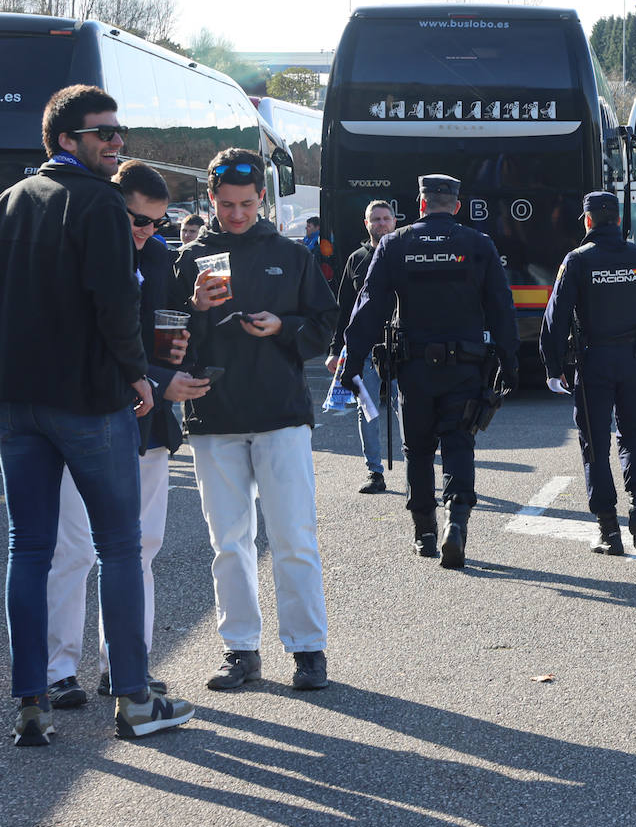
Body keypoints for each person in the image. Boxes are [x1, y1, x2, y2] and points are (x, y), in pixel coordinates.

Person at [1, 85, 194, 745]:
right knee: (120, 548)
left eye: (119, 131)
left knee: (28, 548)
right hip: (87, 400)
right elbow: (115, 304)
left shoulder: (10, 203)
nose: (116, 142)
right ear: (64, 139)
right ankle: (136, 702)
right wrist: (140, 374)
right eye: (102, 132)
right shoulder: (101, 204)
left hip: (18, 403)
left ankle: (31, 704)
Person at [45, 161, 211, 710]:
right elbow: (88, 341)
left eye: (156, 224)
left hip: (145, 421)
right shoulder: (80, 247)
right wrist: (161, 377)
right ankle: (58, 670)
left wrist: (185, 334)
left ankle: (125, 667)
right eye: (136, 220)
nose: (144, 231)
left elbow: (159, 327)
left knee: (140, 546)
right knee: (71, 548)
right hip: (86, 414)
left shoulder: (158, 255)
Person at [173, 147, 337, 691]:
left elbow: (324, 323)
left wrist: (284, 326)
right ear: (212, 198)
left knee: (293, 536)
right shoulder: (191, 257)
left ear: (262, 198)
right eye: (225, 204)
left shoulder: (290, 255)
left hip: (281, 414)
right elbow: (165, 336)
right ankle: (240, 649)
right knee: (229, 541)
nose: (235, 214)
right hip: (214, 414)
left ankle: (308, 649)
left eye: (245, 204)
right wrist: (194, 308)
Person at [344, 175, 518, 567]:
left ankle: (424, 532)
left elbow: (370, 307)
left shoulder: (394, 244)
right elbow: (502, 309)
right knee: (458, 442)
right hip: (467, 366)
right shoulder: (478, 244)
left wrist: (351, 361)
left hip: (414, 367)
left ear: (421, 205)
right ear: (455, 206)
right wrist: (510, 362)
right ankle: (455, 523)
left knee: (418, 450)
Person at [540, 192, 636, 555]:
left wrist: (553, 367)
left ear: (588, 221)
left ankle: (608, 530)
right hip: (635, 360)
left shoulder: (577, 260)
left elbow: (555, 319)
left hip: (592, 362)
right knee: (634, 434)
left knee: (595, 444)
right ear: (618, 219)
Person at [326, 200, 401, 494]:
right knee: (367, 409)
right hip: (366, 349)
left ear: (394, 222)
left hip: (400, 346)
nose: (381, 224)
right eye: (375, 219)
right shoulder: (356, 259)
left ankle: (415, 470)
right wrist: (336, 349)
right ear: (366, 223)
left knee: (404, 407)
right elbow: (344, 308)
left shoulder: (403, 253)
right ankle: (374, 472)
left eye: (385, 218)